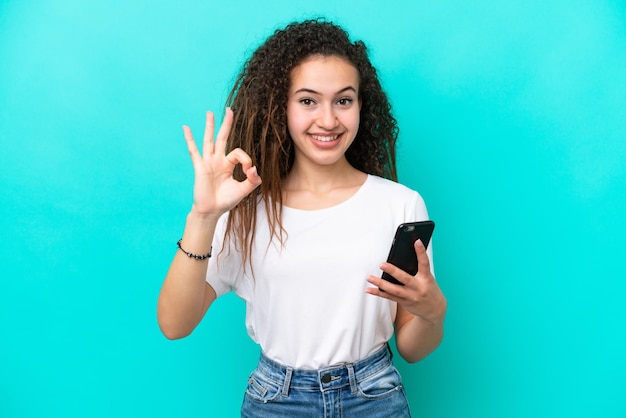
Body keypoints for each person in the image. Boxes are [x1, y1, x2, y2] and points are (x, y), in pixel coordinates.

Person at [157, 18, 447, 417]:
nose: (328, 120)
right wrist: (203, 215)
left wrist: (433, 311)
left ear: (362, 105)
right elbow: (175, 324)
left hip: (374, 398)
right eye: (308, 101)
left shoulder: (400, 205)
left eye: (343, 100)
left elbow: (413, 349)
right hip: (276, 402)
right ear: (282, 107)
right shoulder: (245, 208)